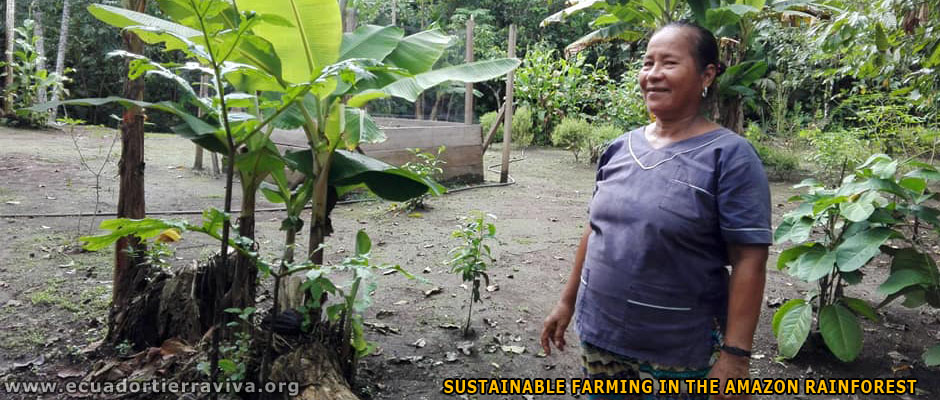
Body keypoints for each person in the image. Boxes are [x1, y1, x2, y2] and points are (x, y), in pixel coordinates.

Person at [540, 21, 771, 400]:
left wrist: (736, 356)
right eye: (647, 63)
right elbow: (595, 229)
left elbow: (750, 258)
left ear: (707, 74)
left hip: (679, 354)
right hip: (601, 339)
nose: (653, 75)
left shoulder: (730, 156)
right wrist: (566, 303)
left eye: (669, 63)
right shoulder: (619, 148)